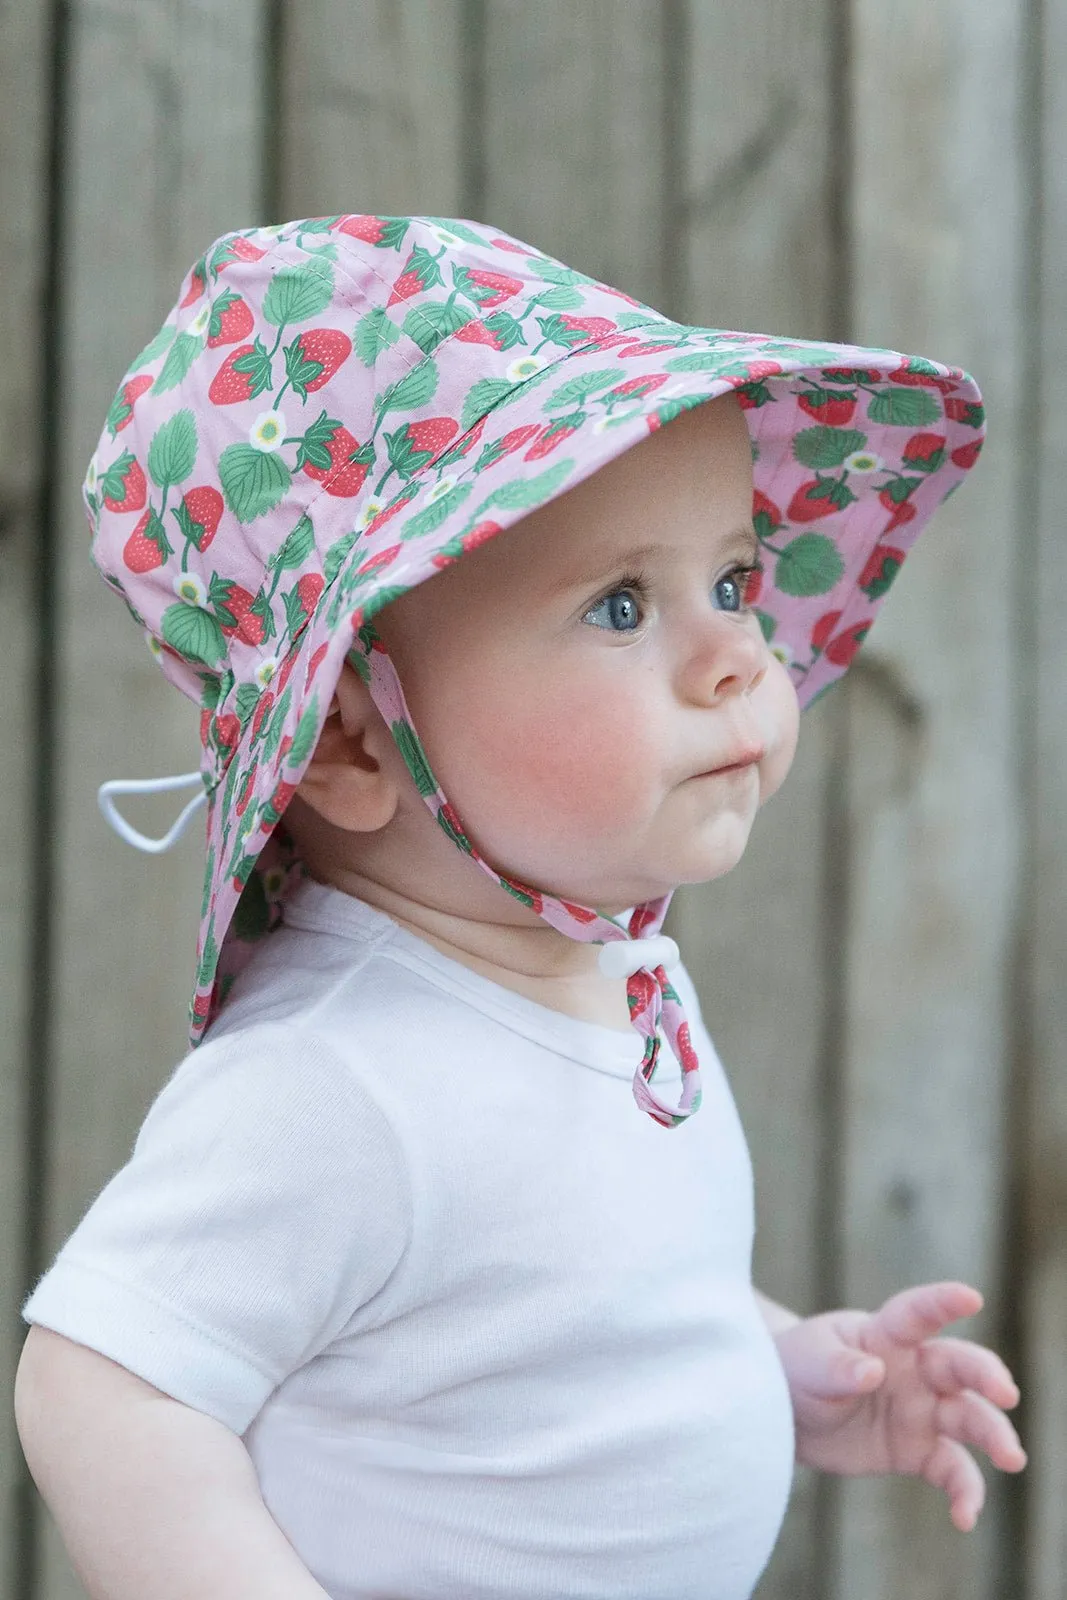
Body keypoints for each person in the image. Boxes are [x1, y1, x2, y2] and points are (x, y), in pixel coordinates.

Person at [14, 213, 1025, 1600]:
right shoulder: (332, 1080)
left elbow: (559, 1304)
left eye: (731, 580)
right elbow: (98, 1384)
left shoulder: (609, 967)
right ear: (351, 744)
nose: (738, 652)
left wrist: (776, 1367)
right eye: (620, 606)